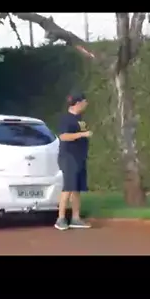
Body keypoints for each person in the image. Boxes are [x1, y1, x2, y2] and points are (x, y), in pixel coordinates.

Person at [54, 92, 93, 231]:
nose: (86, 104)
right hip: (68, 158)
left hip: (79, 157)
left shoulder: (80, 119)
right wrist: (82, 134)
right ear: (78, 103)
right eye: (84, 101)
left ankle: (76, 218)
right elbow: (63, 136)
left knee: (77, 188)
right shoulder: (66, 119)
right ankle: (60, 218)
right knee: (68, 188)